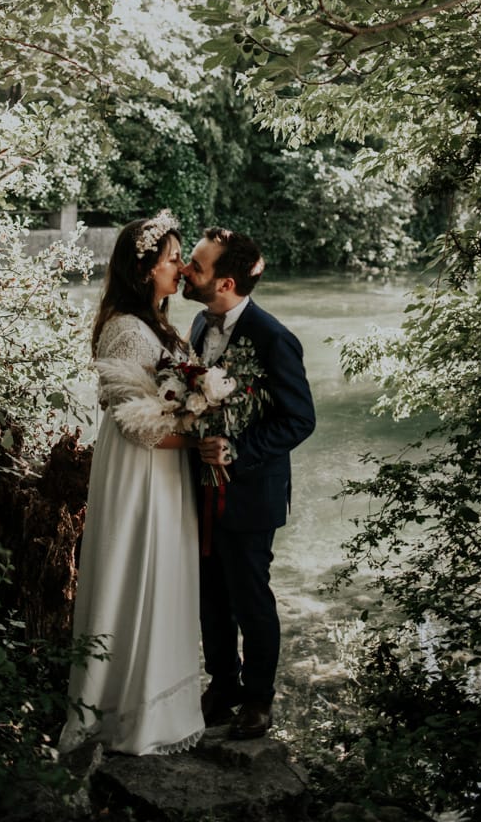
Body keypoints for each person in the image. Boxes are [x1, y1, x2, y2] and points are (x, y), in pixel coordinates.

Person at [59, 210, 205, 756]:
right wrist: (197, 439)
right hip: (139, 477)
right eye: (172, 259)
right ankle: (121, 713)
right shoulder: (125, 329)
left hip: (167, 477)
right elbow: (137, 427)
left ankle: (161, 702)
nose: (181, 267)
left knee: (164, 577)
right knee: (135, 575)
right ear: (145, 270)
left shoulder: (161, 325)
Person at [182, 227, 315, 741]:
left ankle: (258, 699)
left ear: (226, 282)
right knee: (209, 594)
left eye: (197, 265)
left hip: (251, 492)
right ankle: (223, 687)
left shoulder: (272, 337)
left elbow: (299, 419)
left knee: (250, 598)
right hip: (198, 487)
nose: (188, 271)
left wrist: (236, 452)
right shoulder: (198, 323)